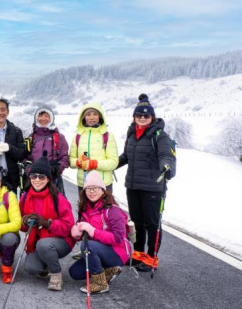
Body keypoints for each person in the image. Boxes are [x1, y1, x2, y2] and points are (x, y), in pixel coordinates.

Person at [117, 94, 173, 272]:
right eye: (139, 115)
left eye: (146, 116)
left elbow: (165, 155)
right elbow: (126, 156)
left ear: (152, 117)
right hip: (133, 186)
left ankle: (151, 257)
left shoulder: (159, 135)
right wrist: (109, 164)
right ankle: (138, 253)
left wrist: (166, 166)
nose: (142, 118)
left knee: (152, 223)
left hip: (152, 187)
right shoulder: (132, 133)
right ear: (134, 117)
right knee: (136, 222)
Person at [68, 171, 131, 294]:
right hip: (97, 251)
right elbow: (82, 233)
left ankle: (100, 283)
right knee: (74, 273)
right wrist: (77, 232)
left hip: (117, 252)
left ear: (103, 190)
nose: (91, 191)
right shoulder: (85, 208)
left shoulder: (112, 210)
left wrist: (92, 231)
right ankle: (109, 270)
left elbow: (117, 237)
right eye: (88, 189)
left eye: (95, 188)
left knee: (87, 245)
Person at [20, 154, 75, 291]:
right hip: (39, 243)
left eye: (42, 177)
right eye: (34, 176)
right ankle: (45, 263)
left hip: (61, 241)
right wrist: (25, 221)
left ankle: (56, 274)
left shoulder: (58, 198)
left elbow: (69, 227)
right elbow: (21, 224)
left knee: (43, 244)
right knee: (31, 268)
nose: (37, 180)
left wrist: (47, 224)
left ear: (48, 179)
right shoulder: (25, 197)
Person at [69, 102, 118, 194]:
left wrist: (93, 164)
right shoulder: (78, 137)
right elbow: (70, 161)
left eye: (95, 114)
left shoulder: (108, 136)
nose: (92, 117)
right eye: (88, 114)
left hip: (103, 184)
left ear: (100, 116)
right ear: (83, 117)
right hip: (83, 183)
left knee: (104, 208)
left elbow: (114, 162)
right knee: (84, 208)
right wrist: (78, 162)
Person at [23, 106, 69, 195]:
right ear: (36, 118)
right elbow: (25, 156)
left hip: (53, 179)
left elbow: (65, 158)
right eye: (40, 115)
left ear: (51, 118)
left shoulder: (59, 137)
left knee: (55, 205)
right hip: (34, 180)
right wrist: (28, 168)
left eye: (47, 116)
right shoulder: (30, 137)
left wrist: (58, 169)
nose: (43, 119)